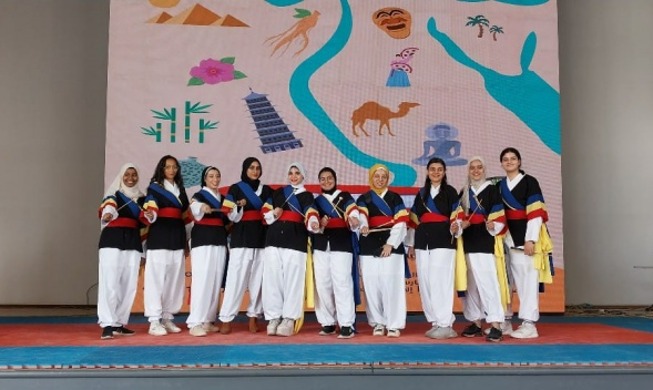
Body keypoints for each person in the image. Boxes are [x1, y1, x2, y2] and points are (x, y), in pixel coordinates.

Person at [498, 147, 553, 339]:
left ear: (519, 162)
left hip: (525, 242)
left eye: (513, 158)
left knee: (526, 282)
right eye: (505, 159)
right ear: (502, 163)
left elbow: (536, 214)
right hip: (506, 240)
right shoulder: (500, 185)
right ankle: (505, 321)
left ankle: (529, 324)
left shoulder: (530, 182)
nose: (509, 162)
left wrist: (530, 239)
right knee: (504, 282)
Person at [406, 157, 461, 339]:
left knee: (441, 282)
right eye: (432, 169)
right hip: (423, 242)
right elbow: (414, 220)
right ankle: (435, 321)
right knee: (426, 281)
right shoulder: (421, 193)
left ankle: (446, 323)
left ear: (444, 172)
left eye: (439, 169)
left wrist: (456, 226)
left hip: (444, 241)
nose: (436, 172)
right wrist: (412, 244)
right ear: (427, 172)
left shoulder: (451, 192)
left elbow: (457, 216)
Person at [262, 162, 320, 337]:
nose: (294, 176)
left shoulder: (307, 195)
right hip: (273, 239)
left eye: (297, 173)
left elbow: (311, 211)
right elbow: (265, 211)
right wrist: (274, 214)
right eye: (291, 173)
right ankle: (274, 317)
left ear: (303, 176)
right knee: (272, 279)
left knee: (293, 281)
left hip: (296, 241)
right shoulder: (278, 192)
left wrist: (313, 222)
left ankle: (288, 318)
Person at [218, 157, 273, 334]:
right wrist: (237, 206)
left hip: (261, 238)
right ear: (245, 169)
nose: (255, 171)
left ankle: (253, 316)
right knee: (235, 280)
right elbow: (229, 215)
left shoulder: (268, 191)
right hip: (241, 239)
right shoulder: (235, 189)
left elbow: (271, 213)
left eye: (258, 168)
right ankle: (226, 318)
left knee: (258, 281)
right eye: (251, 168)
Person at [457, 156, 508, 342]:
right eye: (473, 168)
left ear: (484, 170)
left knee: (488, 283)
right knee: (470, 285)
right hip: (467, 242)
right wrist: (459, 224)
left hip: (485, 242)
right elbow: (457, 216)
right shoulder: (463, 192)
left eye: (479, 167)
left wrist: (492, 225)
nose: (476, 171)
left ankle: (495, 324)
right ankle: (475, 322)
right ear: (468, 171)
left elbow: (499, 216)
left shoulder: (492, 191)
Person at [142, 155, 192, 336]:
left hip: (177, 237)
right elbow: (150, 208)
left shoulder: (181, 189)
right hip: (159, 237)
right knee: (156, 280)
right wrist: (150, 215)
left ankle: (167, 317)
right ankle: (154, 320)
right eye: (168, 167)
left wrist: (186, 241)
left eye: (174, 167)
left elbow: (185, 216)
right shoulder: (154, 188)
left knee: (174, 280)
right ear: (161, 169)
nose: (171, 170)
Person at [357, 164, 409, 338]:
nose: (380, 179)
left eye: (383, 176)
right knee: (372, 287)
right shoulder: (364, 199)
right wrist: (363, 226)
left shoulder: (395, 198)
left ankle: (393, 324)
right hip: (368, 246)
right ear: (371, 177)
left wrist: (390, 244)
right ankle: (378, 322)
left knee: (392, 286)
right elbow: (362, 215)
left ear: (388, 179)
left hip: (391, 247)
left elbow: (401, 221)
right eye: (376, 176)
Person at [97, 163, 145, 340]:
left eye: (134, 175)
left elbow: (145, 224)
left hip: (132, 241)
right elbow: (108, 207)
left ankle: (119, 323)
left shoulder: (141, 199)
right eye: (127, 174)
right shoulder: (113, 194)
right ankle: (107, 324)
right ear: (121, 176)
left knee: (128, 285)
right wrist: (108, 214)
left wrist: (144, 252)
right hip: (112, 240)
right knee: (110, 283)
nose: (130, 178)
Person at [312, 167, 360, 339]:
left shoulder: (344, 196)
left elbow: (353, 211)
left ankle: (346, 324)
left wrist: (354, 219)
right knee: (323, 285)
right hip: (321, 246)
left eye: (329, 178)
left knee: (342, 283)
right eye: (322, 179)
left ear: (335, 178)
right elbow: (312, 221)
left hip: (342, 244)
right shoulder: (316, 201)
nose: (326, 181)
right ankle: (328, 322)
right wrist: (320, 223)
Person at [186, 166, 229, 337]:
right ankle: (194, 321)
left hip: (219, 240)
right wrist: (202, 207)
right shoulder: (200, 195)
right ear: (205, 179)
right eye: (211, 176)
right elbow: (194, 205)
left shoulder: (223, 198)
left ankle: (208, 320)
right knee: (202, 280)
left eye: (217, 176)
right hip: (203, 241)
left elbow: (230, 216)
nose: (215, 179)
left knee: (215, 281)